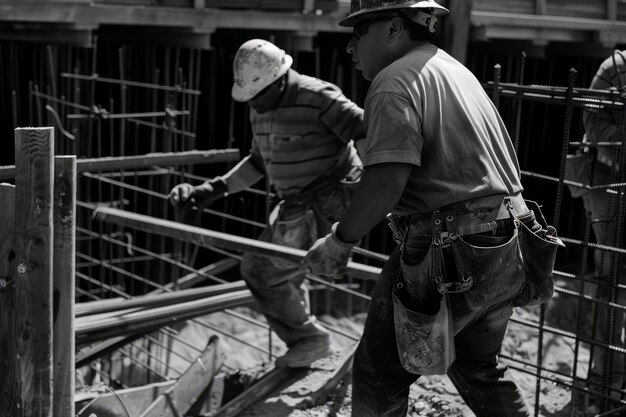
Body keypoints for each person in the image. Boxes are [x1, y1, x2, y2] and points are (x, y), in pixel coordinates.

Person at [302, 1, 560, 416]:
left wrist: (339, 241)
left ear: (393, 27)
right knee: (478, 365)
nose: (351, 47)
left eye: (358, 32)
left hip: (452, 249)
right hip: (506, 242)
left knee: (378, 372)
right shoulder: (454, 70)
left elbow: (387, 182)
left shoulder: (392, 82)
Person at [169, 39, 365, 368]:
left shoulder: (318, 97)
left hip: (331, 195)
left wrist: (374, 191)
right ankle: (309, 338)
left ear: (279, 80)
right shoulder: (260, 110)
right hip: (297, 202)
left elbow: (364, 130)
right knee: (282, 271)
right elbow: (258, 163)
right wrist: (212, 189)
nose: (253, 104)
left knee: (259, 269)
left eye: (258, 96)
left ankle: (309, 340)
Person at [569, 50, 626, 408]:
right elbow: (591, 120)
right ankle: (606, 379)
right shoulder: (616, 68)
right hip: (609, 182)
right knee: (612, 279)